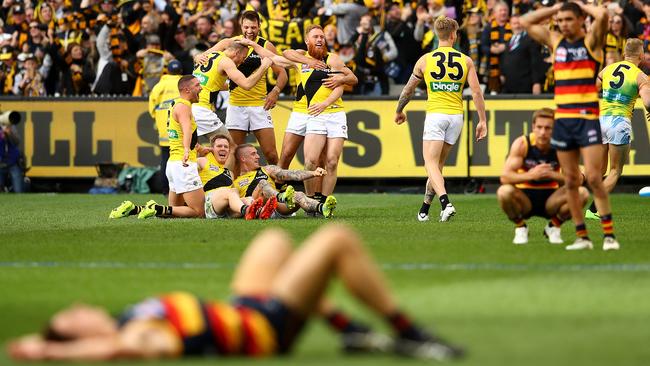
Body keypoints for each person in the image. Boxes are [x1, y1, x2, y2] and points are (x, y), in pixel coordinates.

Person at [7, 224, 463, 361]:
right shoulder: (138, 336)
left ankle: (348, 330)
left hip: (244, 307)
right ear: (75, 335)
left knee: (274, 240)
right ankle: (410, 332)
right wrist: (47, 351)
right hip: (267, 326)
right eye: (72, 315)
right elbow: (117, 351)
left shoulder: (130, 318)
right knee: (338, 238)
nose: (81, 306)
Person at [521, 1, 618, 251]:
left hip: (587, 120)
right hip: (562, 121)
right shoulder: (556, 41)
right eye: (560, 20)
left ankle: (609, 236)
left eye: (568, 19)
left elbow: (603, 14)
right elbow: (526, 21)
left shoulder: (591, 42)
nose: (563, 24)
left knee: (595, 177)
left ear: (580, 20)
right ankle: (582, 237)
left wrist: (582, 7)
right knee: (571, 181)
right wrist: (556, 9)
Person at [394, 16, 487, 222]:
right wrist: (482, 121)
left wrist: (399, 110)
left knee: (430, 163)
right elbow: (476, 92)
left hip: (436, 114)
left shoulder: (425, 60)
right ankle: (424, 209)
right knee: (438, 166)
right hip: (456, 117)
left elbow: (408, 90)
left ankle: (445, 202)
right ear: (454, 35)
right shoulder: (466, 60)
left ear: (437, 35)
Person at [110, 75, 205, 219]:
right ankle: (154, 208)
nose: (201, 88)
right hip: (183, 164)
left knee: (172, 211)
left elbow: (181, 132)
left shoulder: (175, 104)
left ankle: (134, 209)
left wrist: (197, 148)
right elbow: (186, 130)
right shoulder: (184, 106)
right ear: (187, 89)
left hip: (173, 164)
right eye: (197, 85)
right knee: (199, 212)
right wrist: (186, 150)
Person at [200, 10, 289, 165]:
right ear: (241, 26)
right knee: (234, 153)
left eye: (253, 27)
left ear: (260, 26)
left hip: (259, 106)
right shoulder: (229, 43)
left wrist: (275, 91)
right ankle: (234, 189)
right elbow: (202, 57)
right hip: (236, 105)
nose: (249, 31)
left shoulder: (265, 45)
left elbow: (282, 74)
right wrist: (198, 57)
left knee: (271, 154)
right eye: (246, 27)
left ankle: (278, 188)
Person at [280, 25, 355, 202]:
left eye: (322, 36)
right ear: (307, 41)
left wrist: (327, 100)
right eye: (316, 37)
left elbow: (345, 84)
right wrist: (308, 62)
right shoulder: (301, 59)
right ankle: (309, 199)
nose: (320, 39)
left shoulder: (333, 59)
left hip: (335, 113)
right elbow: (285, 53)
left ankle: (323, 202)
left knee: (331, 161)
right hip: (315, 114)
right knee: (310, 161)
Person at [497, 108, 589, 245]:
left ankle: (554, 226)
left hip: (552, 200)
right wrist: (531, 175)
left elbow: (579, 179)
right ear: (533, 126)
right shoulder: (522, 144)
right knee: (503, 192)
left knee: (582, 193)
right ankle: (521, 227)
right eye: (539, 127)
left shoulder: (561, 146)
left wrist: (552, 175)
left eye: (548, 128)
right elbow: (505, 177)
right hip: (524, 199)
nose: (542, 132)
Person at [585, 38, 650, 221]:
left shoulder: (608, 69)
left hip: (601, 120)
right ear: (641, 55)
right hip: (619, 122)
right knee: (615, 171)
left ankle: (570, 188)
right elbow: (648, 102)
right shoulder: (640, 76)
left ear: (623, 53)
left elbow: (592, 89)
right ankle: (594, 209)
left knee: (600, 170)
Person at [192, 40, 274, 144]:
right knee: (230, 147)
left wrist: (234, 85)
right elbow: (247, 85)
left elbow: (214, 84)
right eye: (243, 57)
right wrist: (264, 66)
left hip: (188, 106)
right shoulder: (226, 61)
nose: (241, 62)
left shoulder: (210, 55)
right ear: (236, 53)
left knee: (193, 148)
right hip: (201, 110)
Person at [234, 144, 338, 218]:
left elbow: (287, 174)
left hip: (276, 207)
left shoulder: (266, 169)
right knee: (262, 183)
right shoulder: (235, 181)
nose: (258, 156)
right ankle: (282, 197)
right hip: (255, 208)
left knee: (298, 195)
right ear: (243, 158)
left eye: (257, 153)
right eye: (253, 154)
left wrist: (313, 173)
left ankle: (323, 208)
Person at [198, 134, 276, 220]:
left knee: (248, 200)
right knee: (231, 191)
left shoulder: (229, 173)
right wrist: (197, 152)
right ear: (212, 149)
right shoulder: (203, 161)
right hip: (211, 204)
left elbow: (233, 148)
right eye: (219, 146)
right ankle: (247, 210)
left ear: (229, 151)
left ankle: (261, 212)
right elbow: (186, 170)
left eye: (226, 147)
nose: (223, 148)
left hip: (226, 209)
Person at [148, 60, 183, 197]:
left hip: (164, 130)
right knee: (183, 159)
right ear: (180, 71)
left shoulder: (159, 86)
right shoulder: (185, 83)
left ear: (167, 71)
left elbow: (151, 108)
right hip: (181, 127)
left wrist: (159, 120)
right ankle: (181, 191)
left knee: (166, 160)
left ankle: (166, 191)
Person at [0, 121, 25, 193]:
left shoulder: (10, 126)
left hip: (12, 162)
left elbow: (16, 142)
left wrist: (9, 133)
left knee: (18, 190)